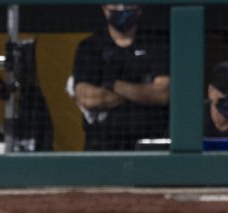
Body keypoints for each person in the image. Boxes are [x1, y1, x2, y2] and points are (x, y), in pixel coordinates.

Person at [71, 4, 169, 151]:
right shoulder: (90, 47)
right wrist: (140, 89)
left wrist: (111, 84)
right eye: (116, 4)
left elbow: (162, 93)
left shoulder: (157, 43)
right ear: (104, 8)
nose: (122, 8)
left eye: (128, 4)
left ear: (139, 8)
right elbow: (87, 98)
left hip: (149, 143)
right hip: (101, 145)